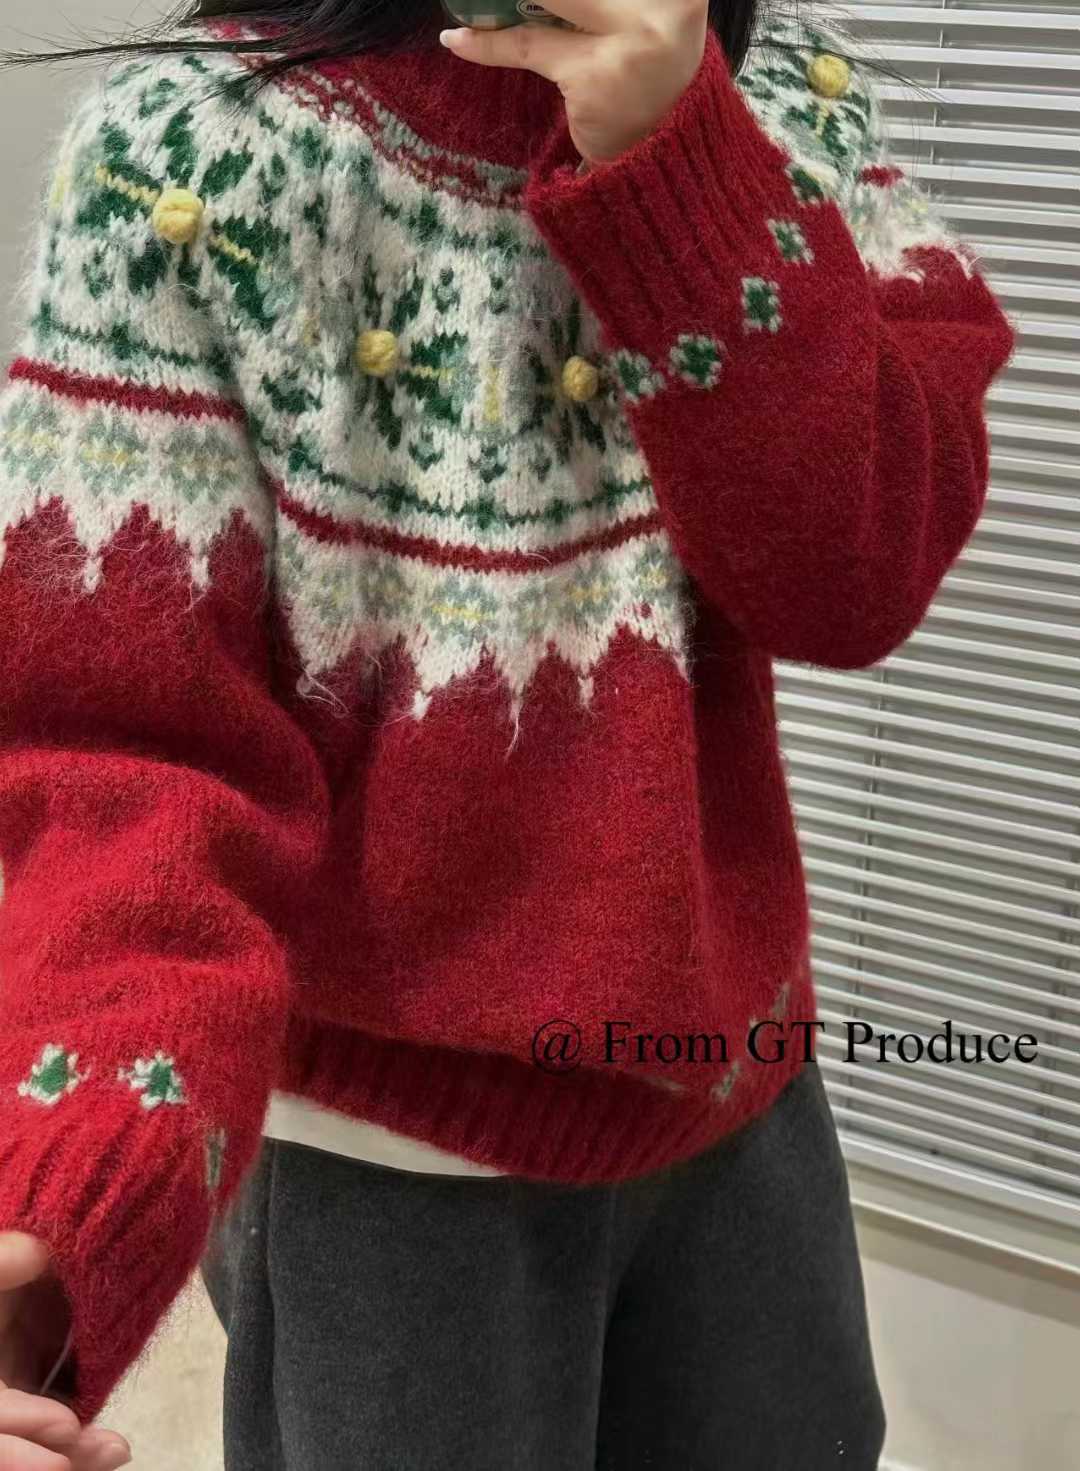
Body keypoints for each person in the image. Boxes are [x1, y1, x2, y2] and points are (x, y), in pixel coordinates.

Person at [0, 0, 1015, 1464]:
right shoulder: (189, 150)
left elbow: (859, 573)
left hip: (739, 1089)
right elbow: (130, 759)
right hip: (388, 1169)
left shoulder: (787, 93)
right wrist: (81, 1169)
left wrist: (684, 165)